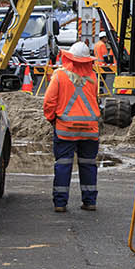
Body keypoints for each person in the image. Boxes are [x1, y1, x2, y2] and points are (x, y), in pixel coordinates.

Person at [42, 41, 99, 213]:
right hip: (90, 129)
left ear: (69, 58)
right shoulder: (93, 77)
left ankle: (60, 203)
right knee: (88, 164)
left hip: (66, 129)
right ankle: (89, 201)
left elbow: (49, 102)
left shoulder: (59, 76)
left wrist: (52, 119)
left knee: (64, 164)